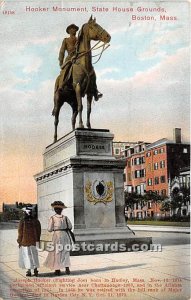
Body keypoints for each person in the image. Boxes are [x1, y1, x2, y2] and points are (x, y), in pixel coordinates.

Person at [57, 23, 103, 101]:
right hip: (70, 58)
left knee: (91, 70)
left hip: (79, 56)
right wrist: (61, 62)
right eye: (72, 29)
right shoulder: (66, 40)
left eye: (75, 29)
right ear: (69, 31)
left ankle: (95, 90)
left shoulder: (79, 39)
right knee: (66, 68)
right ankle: (61, 85)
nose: (73, 30)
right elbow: (62, 51)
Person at [43, 201, 73, 276]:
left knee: (57, 252)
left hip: (57, 235)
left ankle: (57, 269)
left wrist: (54, 228)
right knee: (65, 251)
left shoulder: (53, 218)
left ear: (55, 210)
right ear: (61, 210)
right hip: (65, 235)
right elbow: (70, 227)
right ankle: (67, 268)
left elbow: (49, 229)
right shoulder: (65, 218)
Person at [17, 205, 41, 277]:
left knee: (28, 255)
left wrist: (19, 241)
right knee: (33, 255)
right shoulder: (35, 221)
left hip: (26, 241)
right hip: (30, 241)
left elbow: (20, 232)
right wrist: (37, 240)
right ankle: (32, 270)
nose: (28, 213)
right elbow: (20, 232)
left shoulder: (23, 221)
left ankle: (31, 270)